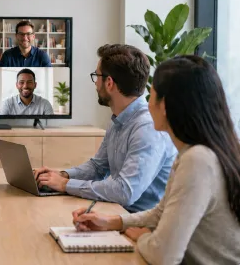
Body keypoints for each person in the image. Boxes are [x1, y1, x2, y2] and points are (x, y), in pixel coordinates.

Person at [71, 55, 240, 265]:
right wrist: (113, 222)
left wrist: (141, 236)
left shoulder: (198, 161)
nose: (146, 102)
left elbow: (163, 256)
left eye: (151, 94)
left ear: (165, 105)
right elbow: (161, 212)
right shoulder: (196, 152)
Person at [34, 44, 177, 212]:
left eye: (97, 76)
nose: (95, 84)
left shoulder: (147, 128)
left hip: (138, 223)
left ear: (109, 83)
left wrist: (66, 185)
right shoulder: (119, 118)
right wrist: (63, 175)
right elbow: (98, 167)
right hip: (115, 212)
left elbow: (125, 192)